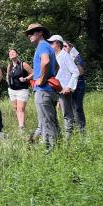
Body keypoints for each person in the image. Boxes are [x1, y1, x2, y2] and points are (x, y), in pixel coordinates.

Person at [26, 23, 59, 151]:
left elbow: (46, 61)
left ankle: (50, 152)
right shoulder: (49, 47)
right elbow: (56, 66)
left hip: (43, 90)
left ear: (40, 33)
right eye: (28, 33)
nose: (29, 35)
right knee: (52, 121)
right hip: (50, 91)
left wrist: (42, 79)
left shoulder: (42, 46)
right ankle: (58, 147)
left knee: (46, 122)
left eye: (32, 32)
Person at [48, 35, 80, 138]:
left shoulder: (65, 55)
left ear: (57, 43)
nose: (50, 44)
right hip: (53, 89)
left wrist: (69, 87)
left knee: (67, 114)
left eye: (51, 42)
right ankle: (58, 136)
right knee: (53, 114)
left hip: (64, 89)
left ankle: (68, 139)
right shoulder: (52, 56)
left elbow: (75, 72)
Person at [6, 48, 33, 134]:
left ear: (17, 54)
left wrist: (25, 78)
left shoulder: (23, 64)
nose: (12, 54)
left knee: (20, 109)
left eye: (13, 52)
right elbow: (7, 75)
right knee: (16, 108)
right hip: (12, 90)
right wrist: (8, 80)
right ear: (9, 56)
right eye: (10, 53)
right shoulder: (9, 66)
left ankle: (21, 128)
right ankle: (22, 124)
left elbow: (33, 73)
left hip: (22, 89)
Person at [67, 42, 87, 133]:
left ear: (71, 47)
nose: (63, 48)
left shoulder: (76, 57)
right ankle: (73, 130)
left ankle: (81, 131)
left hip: (78, 85)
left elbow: (81, 72)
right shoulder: (64, 57)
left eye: (65, 46)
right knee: (70, 109)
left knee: (77, 108)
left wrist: (75, 58)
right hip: (69, 86)